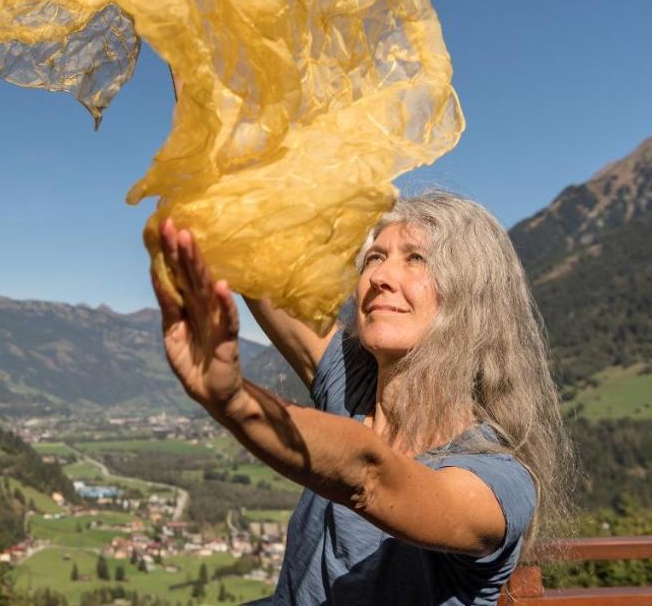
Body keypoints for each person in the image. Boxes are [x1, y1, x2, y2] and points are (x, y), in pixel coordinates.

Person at [151, 191, 573, 605]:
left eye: (415, 258)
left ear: (473, 296)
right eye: (375, 257)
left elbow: (371, 475)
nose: (379, 277)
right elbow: (253, 264)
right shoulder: (351, 384)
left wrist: (236, 400)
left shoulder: (497, 479)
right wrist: (216, 183)